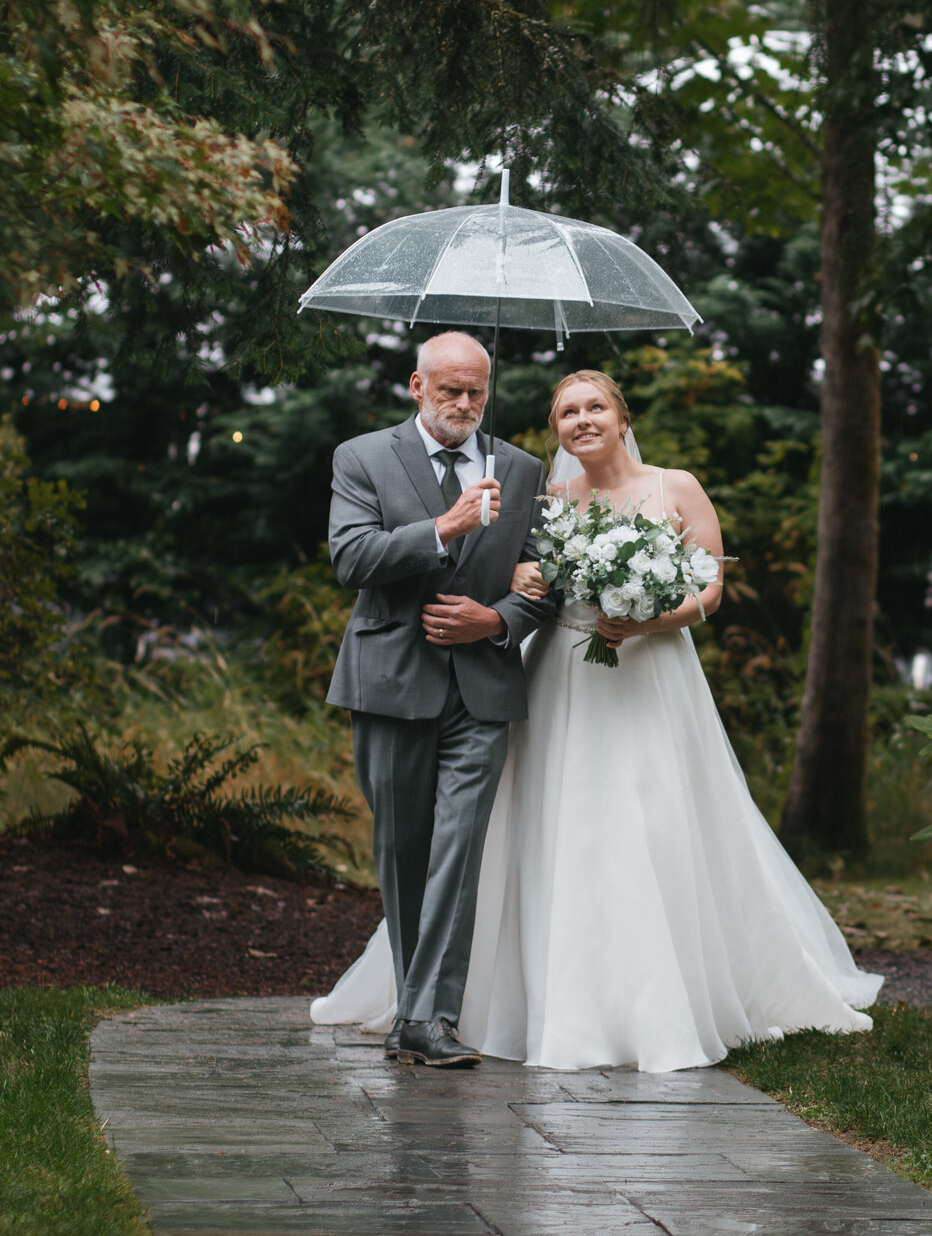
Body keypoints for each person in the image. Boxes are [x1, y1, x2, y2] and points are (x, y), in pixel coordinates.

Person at [314, 368, 883, 1072]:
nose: (581, 421)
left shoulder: (675, 486)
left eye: (594, 408)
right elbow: (527, 576)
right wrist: (518, 587)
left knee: (648, 820)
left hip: (648, 671)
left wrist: (652, 619)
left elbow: (712, 585)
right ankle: (507, 995)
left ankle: (655, 995)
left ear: (620, 415)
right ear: (554, 428)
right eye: (565, 412)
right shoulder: (547, 495)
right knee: (552, 821)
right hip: (560, 672)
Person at [321, 330, 553, 1068]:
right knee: (403, 853)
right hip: (390, 683)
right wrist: (443, 528)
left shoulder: (520, 468)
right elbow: (351, 556)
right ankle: (410, 1012)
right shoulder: (361, 457)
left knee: (459, 849)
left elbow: (547, 575)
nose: (463, 404)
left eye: (475, 391)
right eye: (449, 389)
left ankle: (429, 1019)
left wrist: (498, 621)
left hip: (481, 688)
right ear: (416, 387)